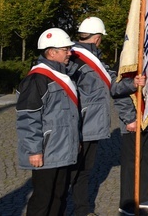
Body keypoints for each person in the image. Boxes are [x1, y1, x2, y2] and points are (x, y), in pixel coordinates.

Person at [16, 28, 80, 216]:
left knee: (59, 195)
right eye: (65, 49)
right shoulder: (37, 79)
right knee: (42, 199)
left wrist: (76, 142)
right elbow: (28, 117)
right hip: (46, 149)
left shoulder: (65, 76)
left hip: (63, 148)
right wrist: (35, 150)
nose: (70, 53)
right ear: (52, 52)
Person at [66, 17, 120, 216]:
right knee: (71, 172)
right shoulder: (73, 59)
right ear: (97, 38)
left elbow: (113, 85)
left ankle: (82, 209)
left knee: (84, 171)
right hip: (79, 125)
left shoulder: (89, 58)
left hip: (92, 125)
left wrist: (134, 84)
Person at [112, 72, 148, 215]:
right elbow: (119, 93)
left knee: (147, 158)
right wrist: (128, 118)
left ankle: (142, 196)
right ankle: (127, 202)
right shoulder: (128, 65)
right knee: (130, 162)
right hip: (134, 120)